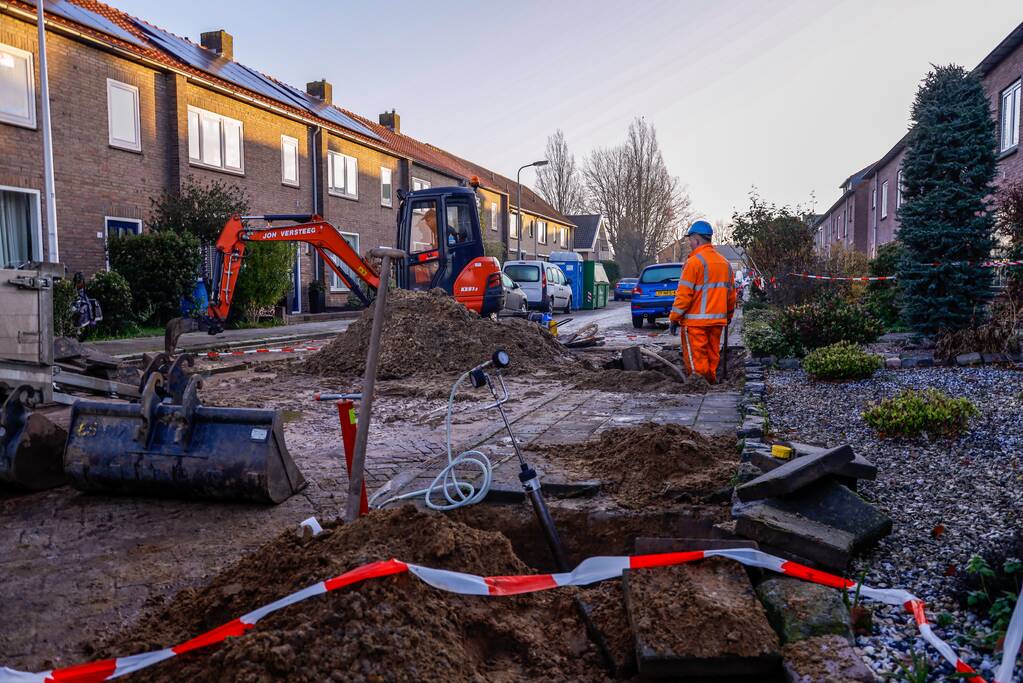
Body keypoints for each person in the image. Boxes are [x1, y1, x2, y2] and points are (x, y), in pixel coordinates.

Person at [668, 220, 736, 383]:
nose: (689, 243)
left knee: (696, 360)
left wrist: (674, 318)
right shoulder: (725, 264)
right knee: (712, 355)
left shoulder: (693, 263)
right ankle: (710, 382)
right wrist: (728, 316)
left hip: (695, 324)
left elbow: (684, 296)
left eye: (690, 240)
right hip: (717, 322)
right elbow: (731, 295)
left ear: (696, 239)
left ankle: (699, 386)